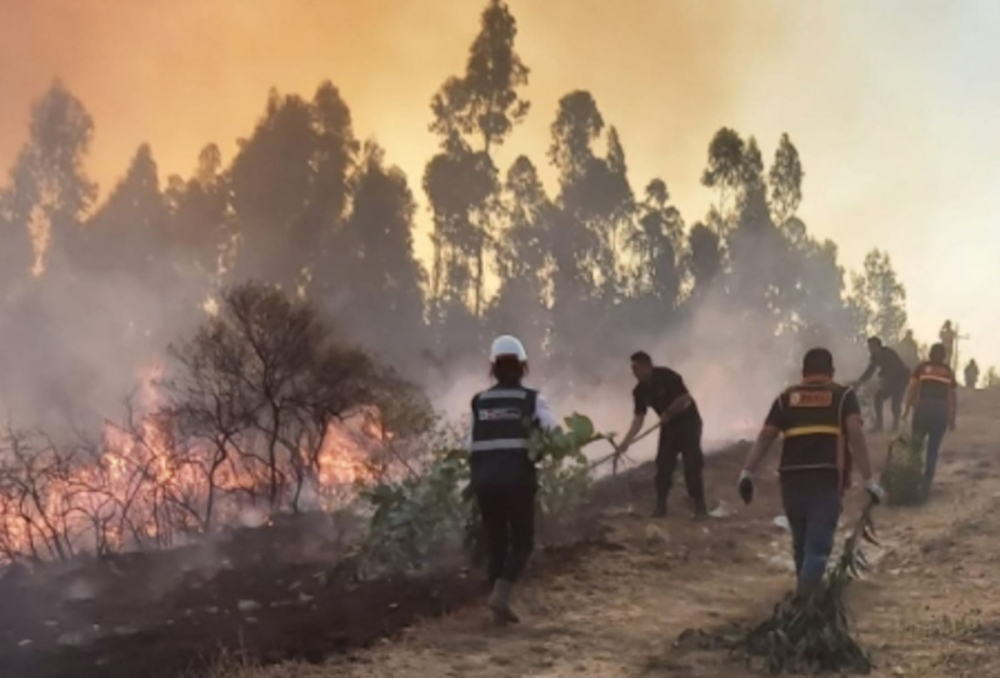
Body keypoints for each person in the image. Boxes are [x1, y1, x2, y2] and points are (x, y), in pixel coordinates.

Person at [737, 348, 885, 598]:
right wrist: (869, 480)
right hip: (825, 481)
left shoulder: (786, 398)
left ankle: (804, 595)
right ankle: (805, 606)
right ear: (831, 372)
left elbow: (766, 436)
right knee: (817, 549)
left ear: (803, 372)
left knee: (801, 546)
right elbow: (856, 436)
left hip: (791, 482)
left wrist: (747, 472)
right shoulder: (843, 396)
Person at [468, 335, 558, 625]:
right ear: (523, 367)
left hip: (484, 482)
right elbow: (553, 433)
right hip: (518, 480)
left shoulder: (479, 401)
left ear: (493, 368)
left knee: (497, 542)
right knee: (522, 541)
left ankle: (498, 610)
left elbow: (470, 444)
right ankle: (502, 596)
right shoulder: (532, 399)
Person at [616, 351, 706, 519]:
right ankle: (660, 507)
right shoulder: (639, 391)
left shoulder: (668, 376)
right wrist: (626, 442)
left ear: (647, 366)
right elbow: (638, 418)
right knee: (663, 466)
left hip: (688, 423)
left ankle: (700, 508)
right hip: (669, 427)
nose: (634, 373)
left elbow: (685, 398)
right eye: (632, 369)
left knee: (692, 465)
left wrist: (670, 412)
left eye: (636, 368)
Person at [904, 343, 957, 494]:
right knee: (933, 449)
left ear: (930, 354)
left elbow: (912, 388)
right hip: (940, 413)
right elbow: (951, 396)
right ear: (944, 356)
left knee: (916, 446)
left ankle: (911, 477)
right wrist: (952, 418)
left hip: (922, 411)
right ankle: (927, 482)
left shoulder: (921, 368)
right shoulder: (947, 371)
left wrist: (907, 410)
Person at [854, 337, 911, 432]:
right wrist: (859, 382)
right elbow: (869, 371)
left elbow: (894, 370)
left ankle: (894, 425)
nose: (870, 349)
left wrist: (883, 379)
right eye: (869, 347)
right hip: (892, 378)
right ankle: (880, 424)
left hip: (901, 378)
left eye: (871, 347)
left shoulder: (888, 353)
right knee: (878, 397)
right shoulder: (875, 356)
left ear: (877, 346)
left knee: (896, 400)